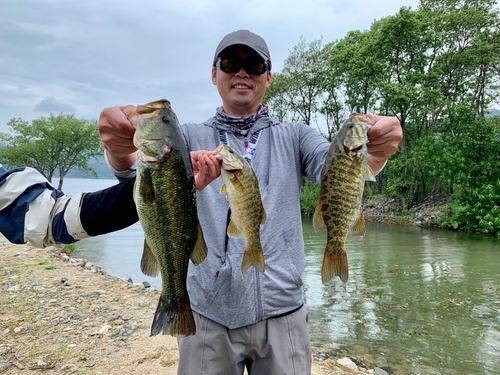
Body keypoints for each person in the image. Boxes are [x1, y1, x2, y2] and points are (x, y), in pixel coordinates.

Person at [97, 30, 402, 375]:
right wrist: (118, 148)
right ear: (215, 74)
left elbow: (337, 171)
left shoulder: (297, 136)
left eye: (254, 65)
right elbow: (136, 173)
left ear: (268, 78)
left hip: (283, 313)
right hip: (207, 314)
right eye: (230, 63)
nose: (242, 73)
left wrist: (376, 150)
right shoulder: (187, 137)